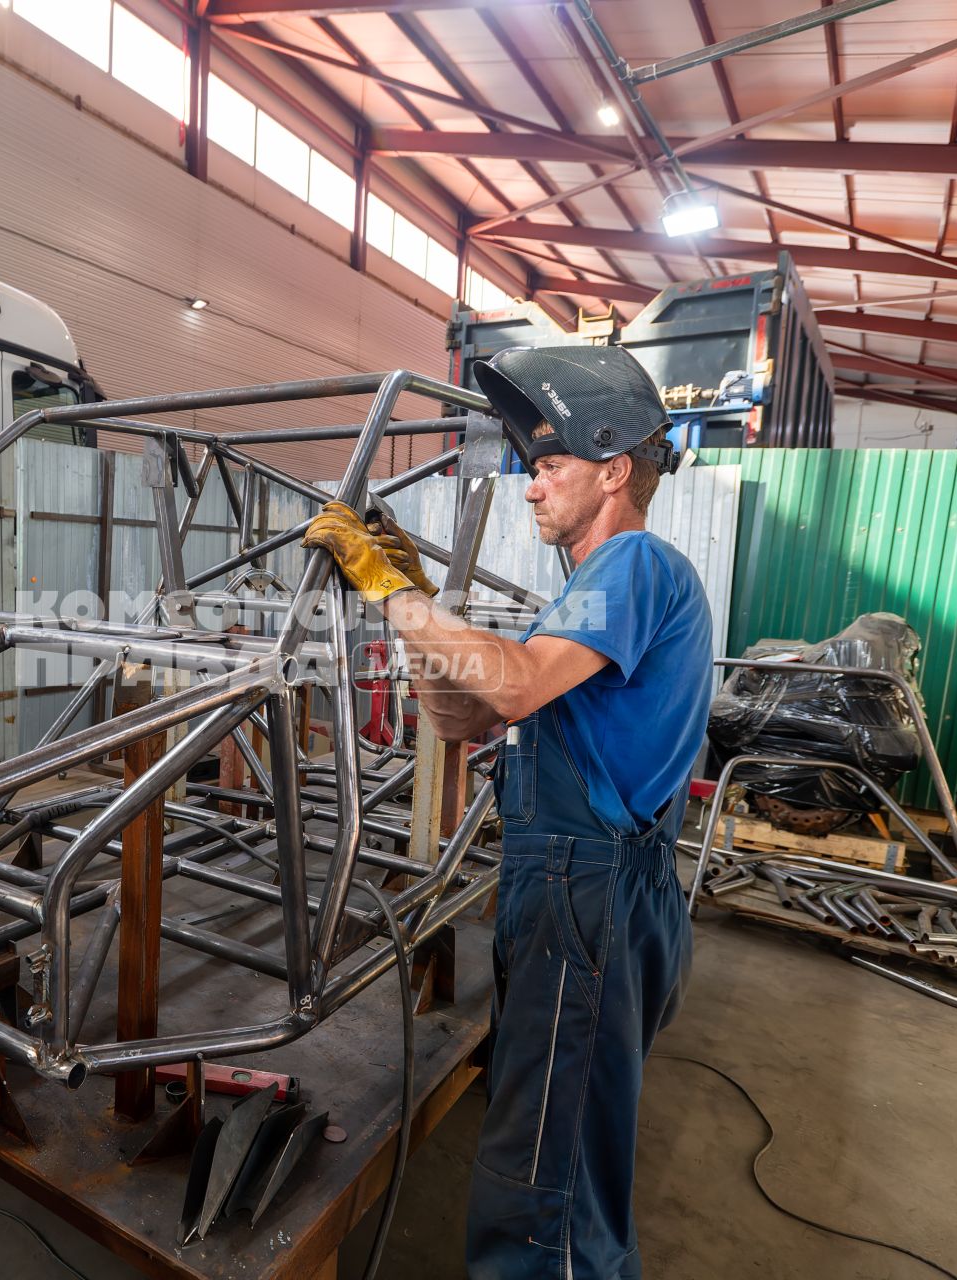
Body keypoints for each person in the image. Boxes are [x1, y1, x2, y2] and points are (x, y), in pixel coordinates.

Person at [301, 344, 713, 1279]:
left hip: (594, 894)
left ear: (614, 472)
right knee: (547, 1152)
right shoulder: (577, 601)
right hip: (569, 892)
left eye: (550, 465)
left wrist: (390, 590)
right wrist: (409, 607)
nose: (532, 488)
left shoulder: (634, 565)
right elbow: (462, 716)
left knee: (547, 1192)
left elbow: (516, 686)